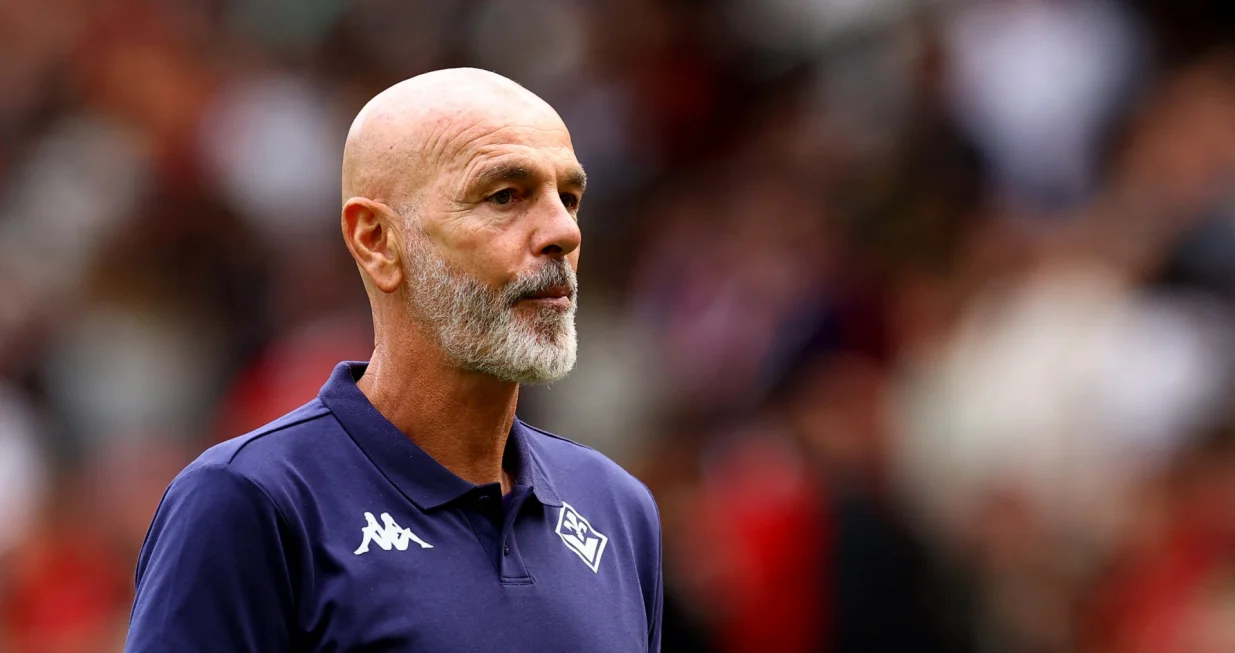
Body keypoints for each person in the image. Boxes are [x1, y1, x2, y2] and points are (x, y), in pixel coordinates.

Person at [125, 68, 663, 652]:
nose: (562, 230)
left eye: (570, 198)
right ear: (377, 240)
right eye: (505, 196)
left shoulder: (617, 508)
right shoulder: (250, 499)